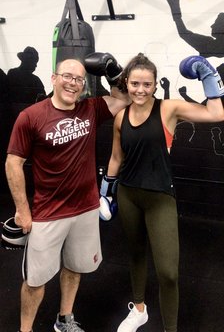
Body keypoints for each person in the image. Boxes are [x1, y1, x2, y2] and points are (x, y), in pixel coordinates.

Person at [5, 52, 130, 332]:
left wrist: (113, 72)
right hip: (48, 212)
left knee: (74, 268)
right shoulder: (31, 117)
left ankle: (64, 320)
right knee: (35, 281)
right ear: (54, 78)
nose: (73, 83)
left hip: (86, 208)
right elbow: (13, 163)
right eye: (67, 76)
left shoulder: (90, 109)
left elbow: (124, 99)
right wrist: (22, 209)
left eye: (79, 79)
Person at [99, 53, 224, 332]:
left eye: (146, 84)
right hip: (128, 195)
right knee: (136, 254)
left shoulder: (168, 109)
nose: (140, 90)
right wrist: (106, 192)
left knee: (168, 273)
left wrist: (208, 75)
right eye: (135, 84)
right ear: (127, 83)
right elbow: (116, 157)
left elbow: (217, 113)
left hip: (159, 197)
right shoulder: (121, 116)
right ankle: (139, 310)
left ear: (155, 85)